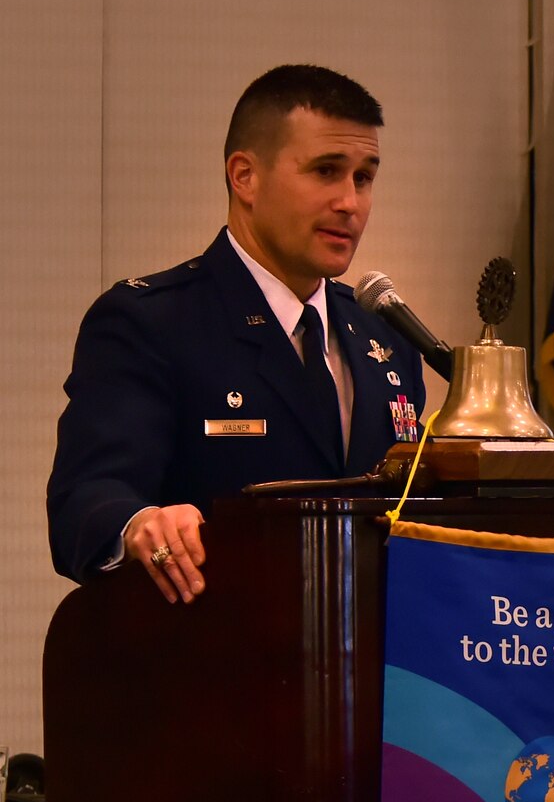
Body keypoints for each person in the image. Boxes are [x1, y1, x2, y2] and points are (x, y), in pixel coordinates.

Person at [46, 65, 421, 600]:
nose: (350, 202)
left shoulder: (383, 333)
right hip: (214, 658)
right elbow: (85, 500)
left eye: (364, 177)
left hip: (369, 667)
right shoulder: (151, 322)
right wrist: (139, 526)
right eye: (325, 171)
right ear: (244, 176)